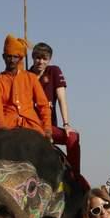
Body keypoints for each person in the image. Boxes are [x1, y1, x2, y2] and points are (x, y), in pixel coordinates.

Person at [30, 42, 82, 176]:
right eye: (37, 58)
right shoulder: (26, 75)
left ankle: (74, 176)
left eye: (44, 58)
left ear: (49, 60)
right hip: (30, 127)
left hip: (49, 128)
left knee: (73, 137)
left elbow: (61, 99)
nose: (40, 61)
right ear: (32, 57)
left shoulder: (54, 71)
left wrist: (66, 124)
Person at [0, 34, 52, 140]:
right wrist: (2, 132)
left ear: (20, 58)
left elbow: (43, 106)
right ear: (3, 57)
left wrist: (47, 129)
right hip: (7, 126)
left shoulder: (31, 78)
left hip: (32, 126)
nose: (12, 60)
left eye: (15, 57)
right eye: (9, 56)